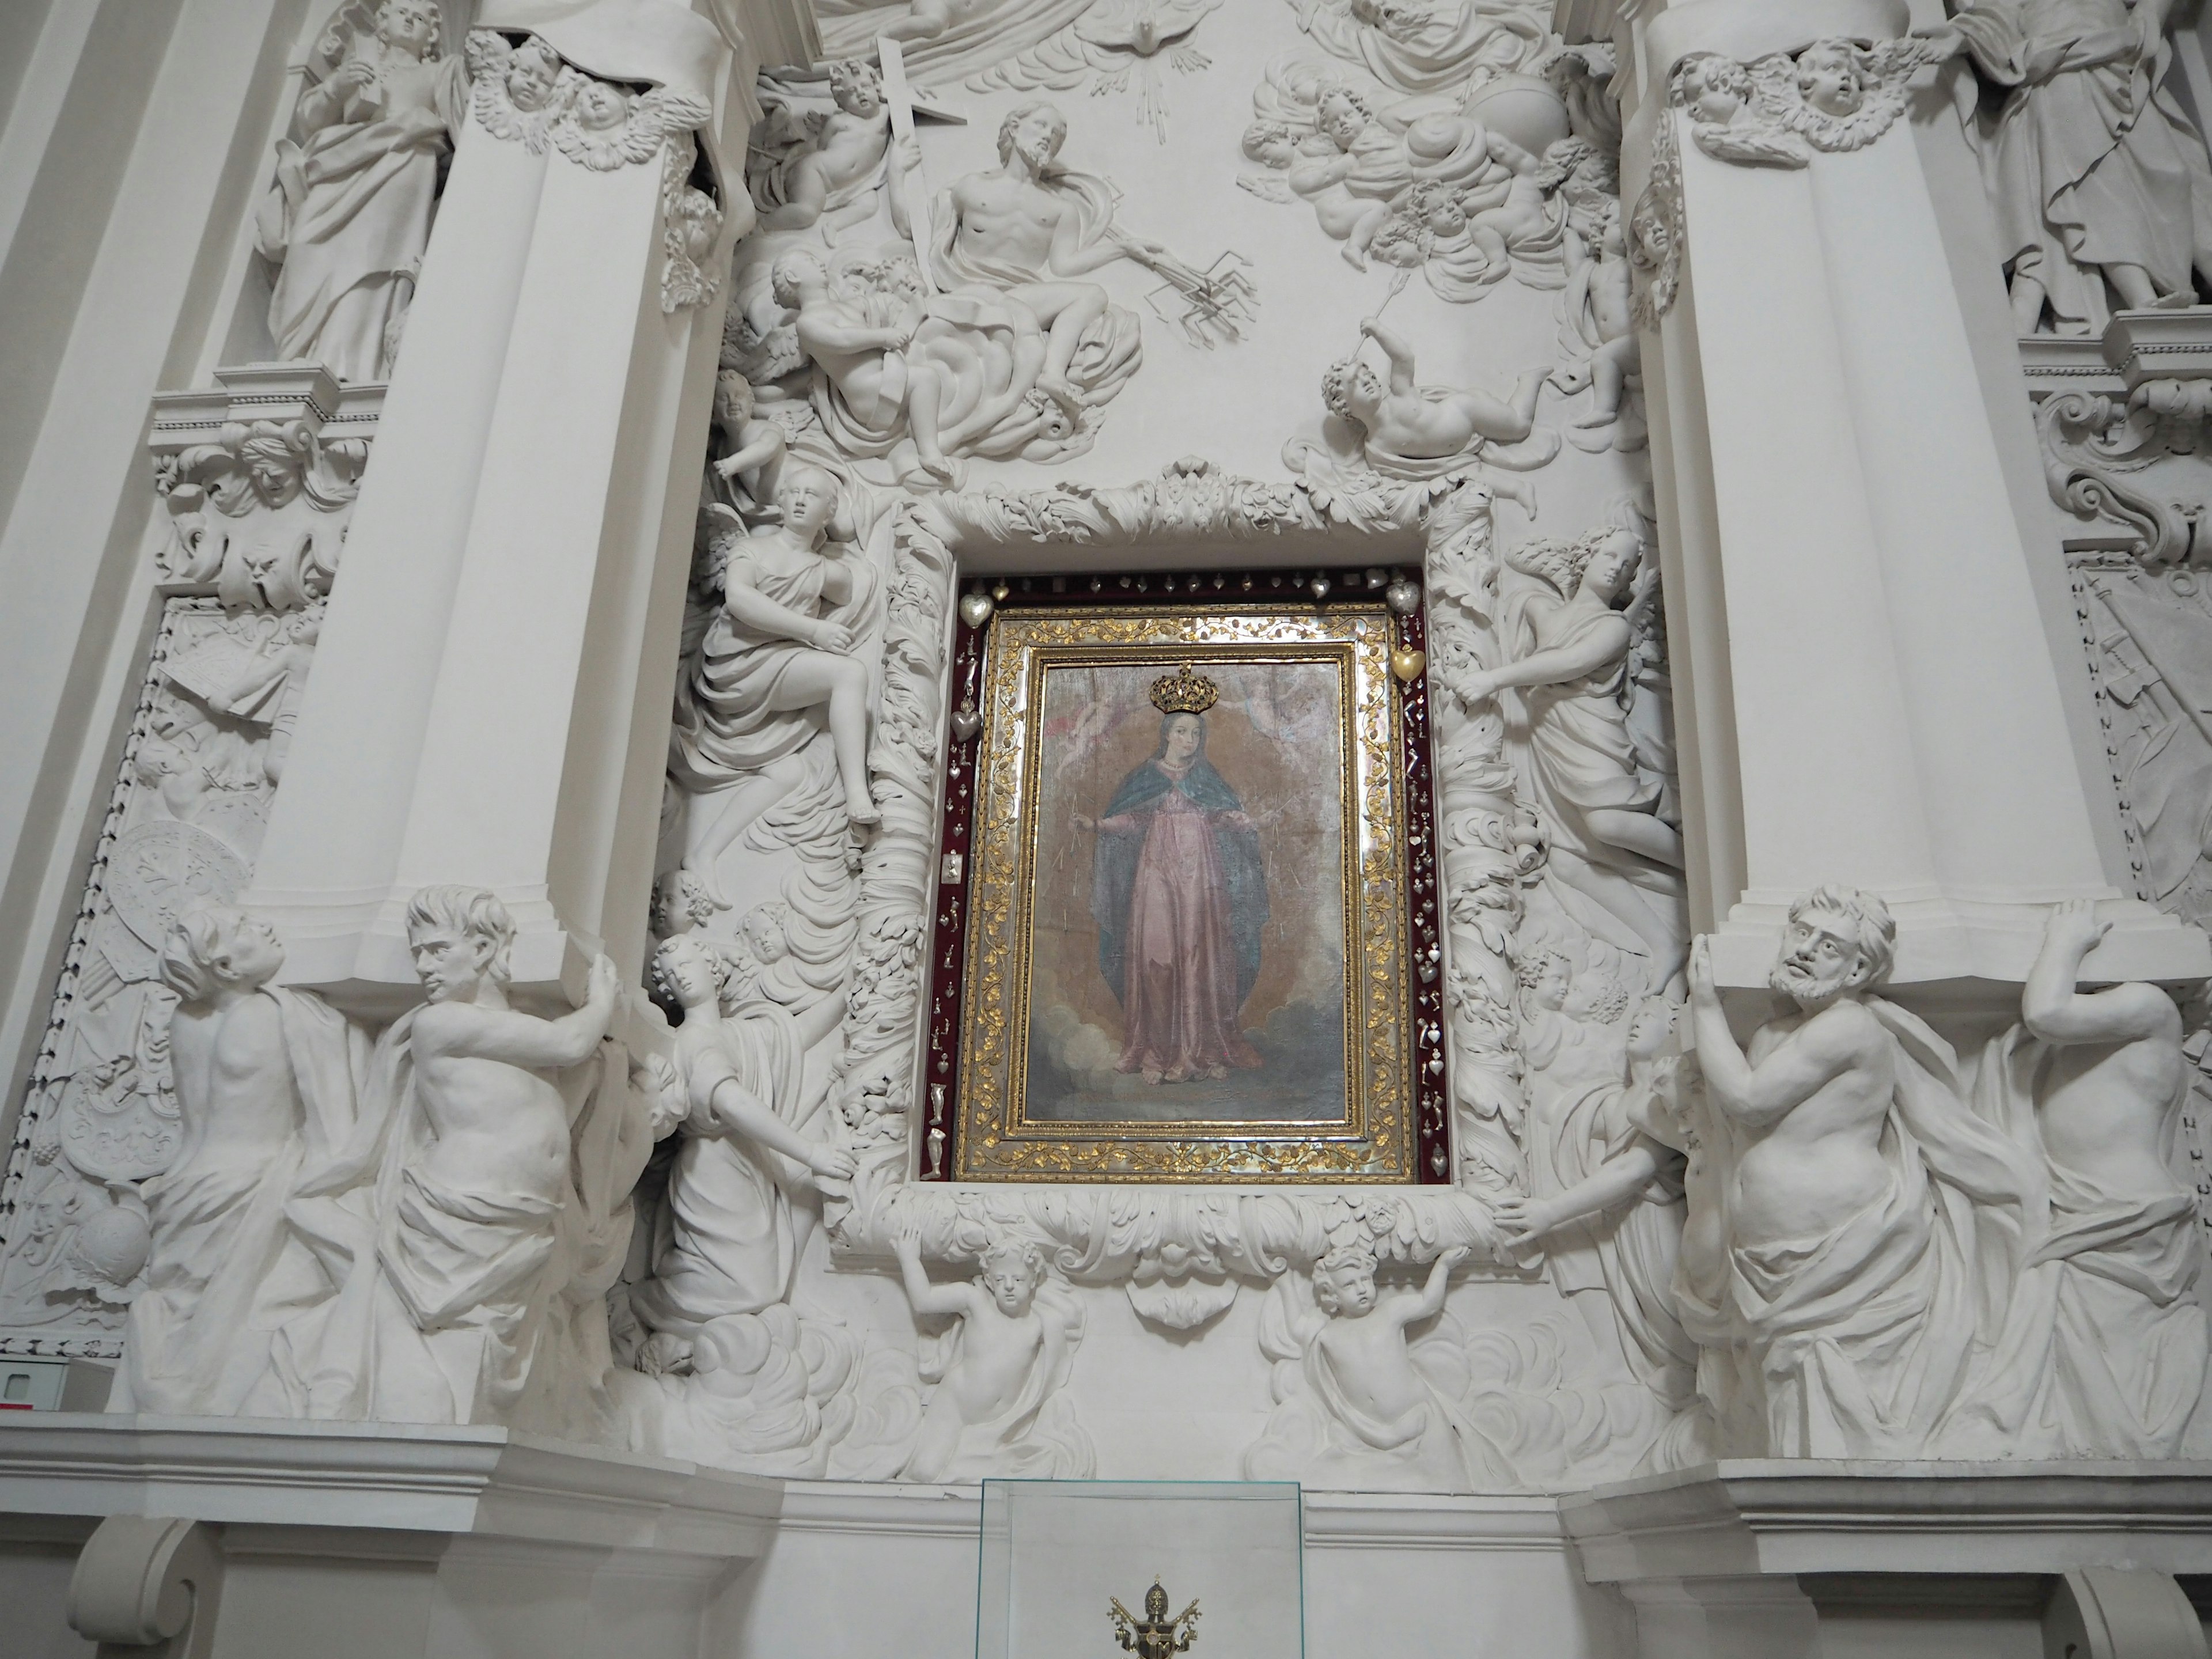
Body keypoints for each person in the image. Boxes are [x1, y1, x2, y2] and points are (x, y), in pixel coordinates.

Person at [1687, 888, 2043, 1455]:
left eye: (1829, 946)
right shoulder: (1776, 1034)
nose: (1805, 950)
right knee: (1791, 1396)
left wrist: (1704, 1007)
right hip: (1771, 1259)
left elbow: (1749, 1101)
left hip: (1841, 1249)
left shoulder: (1848, 1027)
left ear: (1857, 968)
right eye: (1801, 933)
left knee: (1841, 1408)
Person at [111, 907, 365, 1414]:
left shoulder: (187, 1019)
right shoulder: (284, 1014)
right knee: (262, 1313)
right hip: (256, 1186)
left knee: (193, 1319)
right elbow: (336, 1128)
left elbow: (195, 1118)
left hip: (184, 1191)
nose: (266, 927)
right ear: (226, 966)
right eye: (246, 930)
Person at [1455, 525, 1684, 978]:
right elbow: (1519, 583)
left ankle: (1702, 869)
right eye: (1609, 556)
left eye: (1626, 568)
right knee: (1569, 860)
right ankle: (1665, 942)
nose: (1616, 568)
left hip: (1593, 736)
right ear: (1587, 558)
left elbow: (1571, 662)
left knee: (1609, 822)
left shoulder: (1615, 627)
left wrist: (1494, 680)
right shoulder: (1542, 608)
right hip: (1549, 742)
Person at [671, 464, 880, 906]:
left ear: (829, 512)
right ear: (781, 501)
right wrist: (813, 630)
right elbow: (740, 600)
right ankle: (857, 791)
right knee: (847, 673)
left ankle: (704, 854)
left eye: (814, 495)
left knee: (789, 769)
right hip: (735, 671)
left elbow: (848, 588)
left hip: (779, 664)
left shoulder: (825, 572)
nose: (801, 499)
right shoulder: (752, 548)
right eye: (794, 491)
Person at [1934, 0, 2212, 332]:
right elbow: (1993, 18)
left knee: (2174, 175)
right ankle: (2140, 297)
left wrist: (2150, 14)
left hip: (2123, 68)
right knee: (2094, 186)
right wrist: (1962, 37)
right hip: (2061, 77)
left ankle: (2157, 290)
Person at [629, 935, 855, 1340]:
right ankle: (648, 1302)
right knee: (749, 1285)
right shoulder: (691, 1041)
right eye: (672, 975)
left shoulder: (738, 1033)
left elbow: (795, 1037)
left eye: (688, 963)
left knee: (762, 1278)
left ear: (712, 968)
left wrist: (846, 989)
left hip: (747, 1163)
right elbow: (731, 1103)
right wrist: (812, 1154)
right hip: (712, 1170)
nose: (682, 975)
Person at [1073, 671, 1267, 1085]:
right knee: (1156, 957)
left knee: (1202, 954)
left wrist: (1250, 821)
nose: (1189, 740)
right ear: (1167, 735)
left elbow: (1224, 815)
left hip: (1202, 874)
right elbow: (1132, 819)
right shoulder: (1147, 776)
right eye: (1181, 731)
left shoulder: (1206, 778)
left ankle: (1206, 1048)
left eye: (1195, 733)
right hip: (1157, 872)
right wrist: (1096, 825)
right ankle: (1156, 1052)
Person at [256, 0, 457, 382]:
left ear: (432, 35)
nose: (411, 19)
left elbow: (466, 133)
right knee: (308, 244)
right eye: (402, 11)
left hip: (399, 172)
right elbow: (312, 119)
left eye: (421, 17)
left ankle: (351, 363)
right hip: (337, 172)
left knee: (370, 263)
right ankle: (303, 350)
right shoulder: (357, 66)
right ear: (382, 21)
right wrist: (338, 85)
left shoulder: (439, 73)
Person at [935, 101, 1172, 419]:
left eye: (1058, 135)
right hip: (968, 295)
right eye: (1041, 125)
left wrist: (1125, 249)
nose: (1049, 136)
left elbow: (1065, 266)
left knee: (1093, 295)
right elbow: (925, 233)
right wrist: (897, 171)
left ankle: (1053, 374)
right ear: (1014, 127)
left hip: (1016, 300)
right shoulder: (970, 187)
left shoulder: (1060, 209)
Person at [892, 1232, 1093, 1479]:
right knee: (924, 1472)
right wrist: (909, 1258)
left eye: (1018, 1279)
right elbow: (924, 1301)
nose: (1009, 1286)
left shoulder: (1041, 1325)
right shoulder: (975, 1302)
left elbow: (1059, 1363)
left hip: (999, 1427)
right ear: (988, 1279)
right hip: (954, 1405)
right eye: (1000, 1278)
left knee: (974, 1481)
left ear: (1033, 1281)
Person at [1323, 316, 1546, 467]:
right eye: (1355, 382)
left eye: (1366, 373)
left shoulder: (1399, 396)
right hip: (1461, 445)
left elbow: (1404, 358)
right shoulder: (1377, 447)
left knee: (1520, 427)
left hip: (1468, 412)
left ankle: (1530, 380)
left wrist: (1378, 331)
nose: (1367, 379)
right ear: (1345, 407)